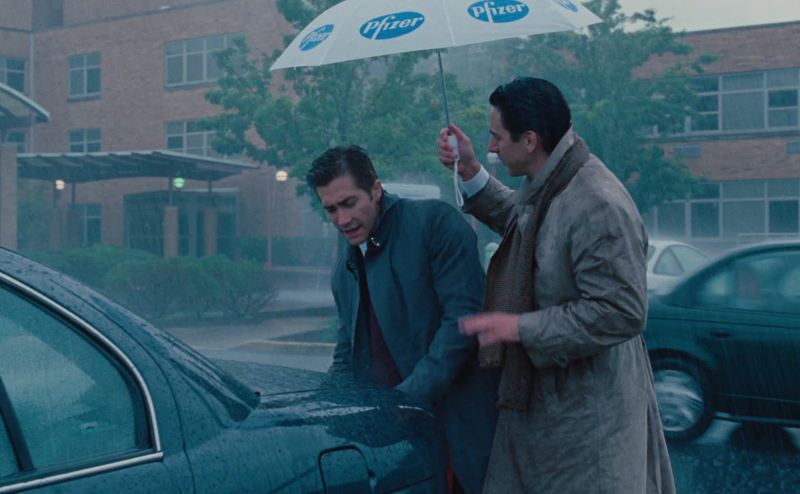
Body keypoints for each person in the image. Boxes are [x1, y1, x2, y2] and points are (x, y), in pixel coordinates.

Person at [437, 77, 675, 493]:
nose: (491, 147)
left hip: (589, 421)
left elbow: (621, 312)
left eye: (496, 137)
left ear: (530, 140)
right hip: (554, 408)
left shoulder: (597, 203)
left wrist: (519, 327)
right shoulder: (554, 180)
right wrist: (471, 172)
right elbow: (526, 222)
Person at [307, 145, 499, 493]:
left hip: (459, 430)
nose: (342, 220)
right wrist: (316, 410)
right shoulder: (345, 264)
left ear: (376, 190)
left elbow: (462, 321)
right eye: (331, 209)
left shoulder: (434, 223)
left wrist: (404, 399)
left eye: (349, 203)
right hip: (397, 443)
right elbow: (347, 352)